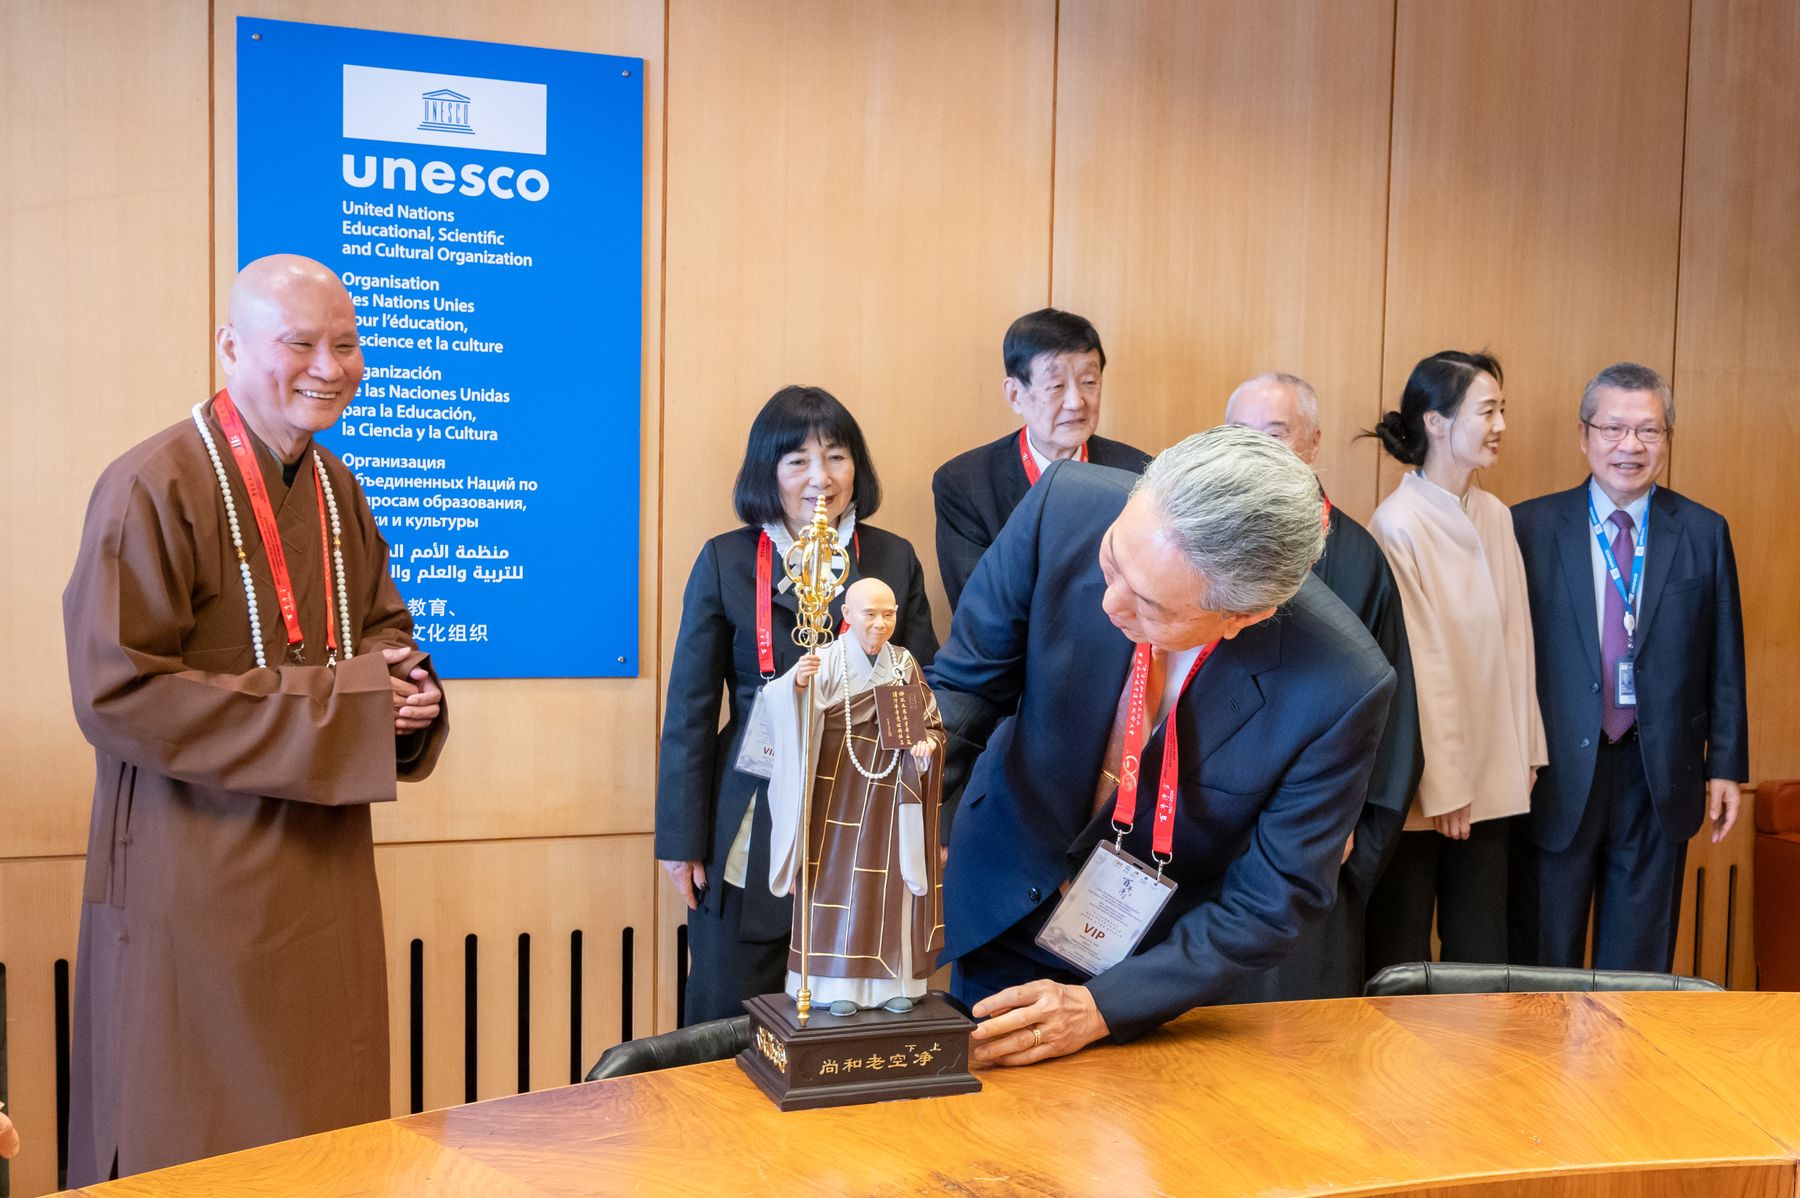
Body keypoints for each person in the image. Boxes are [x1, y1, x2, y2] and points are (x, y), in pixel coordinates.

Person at [62, 254, 449, 1183]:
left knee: (325, 1133)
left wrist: (409, 695)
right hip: (197, 868)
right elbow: (119, 694)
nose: (330, 367)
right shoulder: (151, 485)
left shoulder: (334, 486)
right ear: (230, 348)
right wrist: (344, 705)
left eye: (346, 345)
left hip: (323, 863)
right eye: (300, 343)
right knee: (194, 1135)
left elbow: (382, 630)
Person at [926, 425, 1395, 1065]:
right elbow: (967, 687)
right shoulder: (1062, 507)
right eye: (1113, 561)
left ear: (1245, 615)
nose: (1111, 603)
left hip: (1159, 965)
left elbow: (1270, 904)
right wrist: (888, 798)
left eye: (1152, 607)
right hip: (1007, 882)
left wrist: (1103, 1008)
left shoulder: (1339, 686)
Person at [656, 387, 938, 1026]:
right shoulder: (727, 559)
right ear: (768, 471)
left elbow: (915, 685)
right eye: (798, 461)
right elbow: (690, 711)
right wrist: (680, 838)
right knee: (731, 1010)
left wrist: (926, 822)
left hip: (867, 805)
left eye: (836, 457)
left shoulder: (892, 558)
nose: (821, 478)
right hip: (755, 803)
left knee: (852, 1003)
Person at [1510, 363, 1747, 971]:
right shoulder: (1529, 528)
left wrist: (1726, 765)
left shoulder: (1703, 531)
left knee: (1637, 974)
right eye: (1613, 428)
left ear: (1667, 438)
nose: (1630, 446)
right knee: (1543, 964)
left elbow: (1724, 657)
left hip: (1657, 771)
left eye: (1648, 430)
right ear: (1584, 435)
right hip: (1556, 771)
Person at [1222, 372, 1423, 998]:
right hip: (1211, 819)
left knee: (1307, 1017)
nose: (1257, 449)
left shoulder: (1358, 557)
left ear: (1312, 443)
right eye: (1240, 433)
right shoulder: (1203, 541)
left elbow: (1393, 714)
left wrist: (1349, 824)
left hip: (1318, 827)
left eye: (1276, 433)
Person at [1361, 351, 1544, 975]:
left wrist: (1526, 753)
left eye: (1501, 410)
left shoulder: (1495, 514)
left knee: (1482, 952)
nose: (1500, 426)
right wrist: (1445, 785)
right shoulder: (1397, 524)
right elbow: (1420, 668)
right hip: (1428, 785)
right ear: (1436, 423)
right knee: (1403, 952)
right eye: (1487, 411)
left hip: (1493, 774)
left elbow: (1518, 644)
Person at [764, 577, 945, 1015]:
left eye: (889, 614)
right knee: (836, 884)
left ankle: (895, 984)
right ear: (846, 614)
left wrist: (926, 748)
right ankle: (832, 984)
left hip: (892, 796)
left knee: (894, 885)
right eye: (870, 614)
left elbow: (931, 726)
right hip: (836, 795)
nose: (880, 623)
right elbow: (780, 708)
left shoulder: (903, 663)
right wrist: (796, 686)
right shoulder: (826, 660)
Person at [932, 308, 1151, 611]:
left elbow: (1150, 591)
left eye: (1089, 382)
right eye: (1056, 386)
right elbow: (977, 606)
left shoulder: (1140, 474)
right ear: (1014, 395)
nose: (1076, 402)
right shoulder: (965, 482)